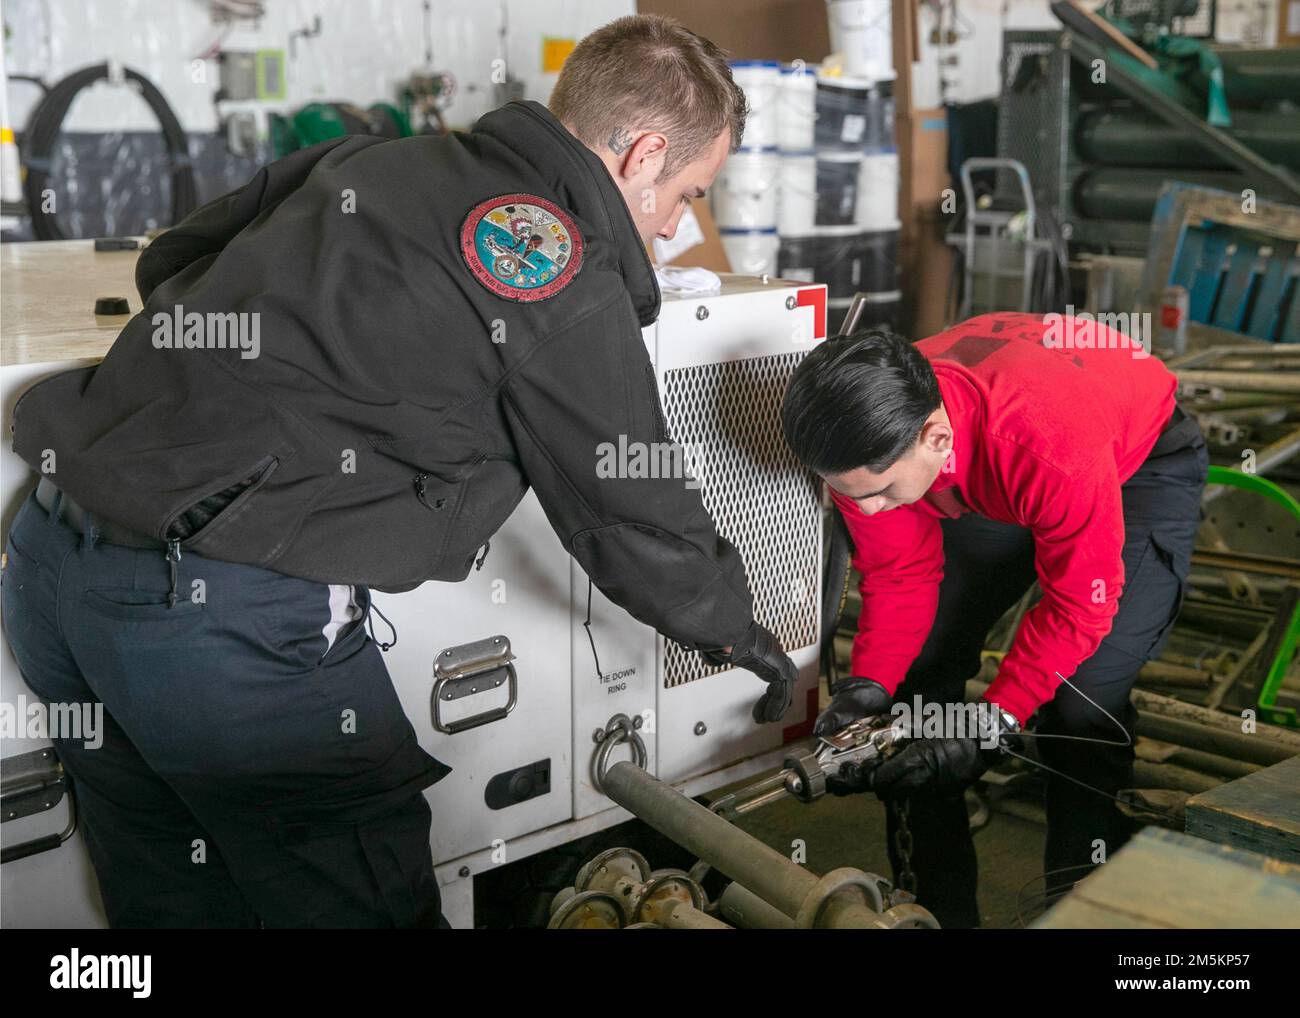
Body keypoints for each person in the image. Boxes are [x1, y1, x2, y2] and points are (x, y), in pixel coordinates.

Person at [2, 14, 797, 928]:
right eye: (687, 195)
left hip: (54, 566)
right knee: (365, 900)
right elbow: (633, 508)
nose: (673, 226)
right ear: (645, 154)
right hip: (221, 615)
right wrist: (738, 633)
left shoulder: (372, 159)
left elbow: (173, 260)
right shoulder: (555, 261)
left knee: (177, 899)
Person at [780, 313, 1207, 927]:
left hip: (1133, 465)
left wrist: (996, 719)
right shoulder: (869, 442)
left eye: (879, 491)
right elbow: (900, 576)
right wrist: (869, 685)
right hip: (999, 456)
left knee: (1082, 701)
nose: (867, 510)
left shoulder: (1044, 444)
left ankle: (1084, 915)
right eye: (849, 493)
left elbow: (1080, 606)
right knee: (917, 684)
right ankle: (938, 915)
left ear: (933, 437)